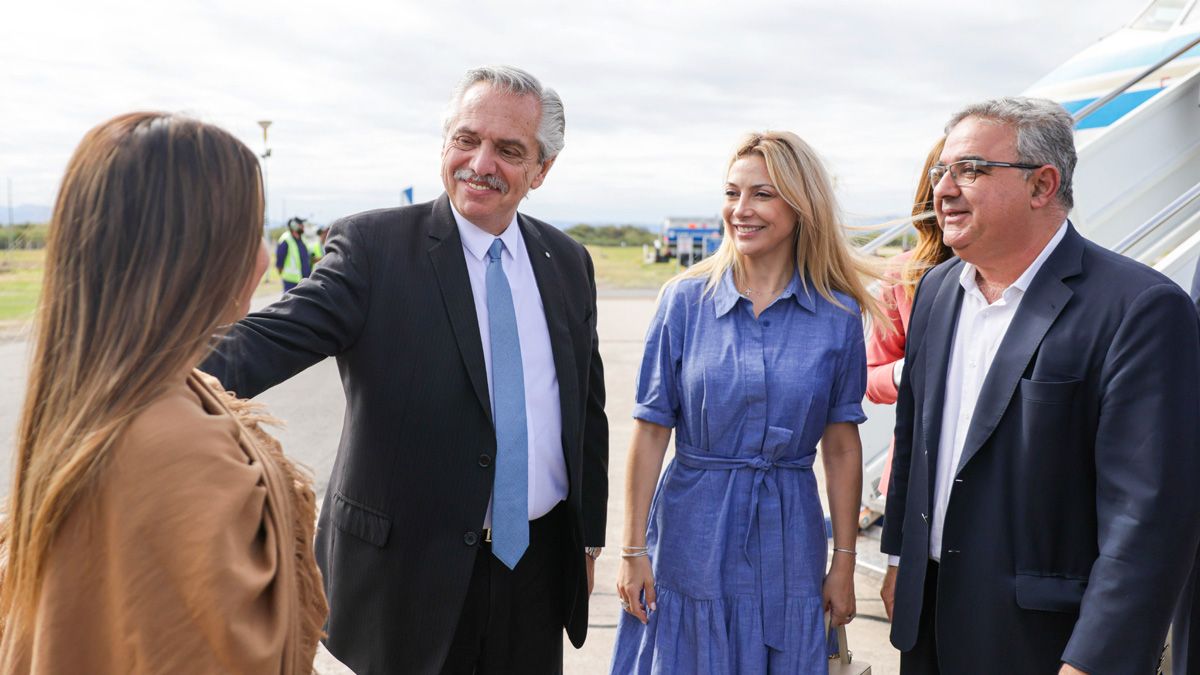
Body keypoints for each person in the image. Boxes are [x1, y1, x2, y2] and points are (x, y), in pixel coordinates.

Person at [202, 65, 608, 674]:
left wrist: (587, 538)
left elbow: (585, 411)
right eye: (466, 139)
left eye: (508, 150)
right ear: (445, 144)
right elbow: (264, 341)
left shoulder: (567, 261)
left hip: (536, 569)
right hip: (409, 579)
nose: (481, 163)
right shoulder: (374, 249)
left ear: (541, 170)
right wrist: (139, 376)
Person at [879, 97, 1200, 674]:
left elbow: (1149, 519)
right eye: (942, 171)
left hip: (1047, 644)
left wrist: (1094, 660)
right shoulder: (936, 291)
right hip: (927, 627)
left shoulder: (1140, 308)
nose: (943, 190)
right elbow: (914, 446)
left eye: (970, 170)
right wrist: (901, 559)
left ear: (1042, 184)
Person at [0, 112, 327, 672]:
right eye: (251, 230)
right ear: (194, 254)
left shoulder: (112, 394)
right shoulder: (172, 445)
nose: (262, 255)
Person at [611, 131, 885, 673]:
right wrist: (632, 551)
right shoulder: (684, 301)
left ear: (801, 205)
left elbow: (841, 447)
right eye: (732, 192)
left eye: (762, 194)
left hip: (791, 536)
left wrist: (844, 562)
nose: (741, 209)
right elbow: (650, 430)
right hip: (690, 531)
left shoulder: (837, 315)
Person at [865, 137, 952, 500]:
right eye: (944, 174)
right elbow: (871, 378)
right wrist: (906, 371)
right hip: (915, 466)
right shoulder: (906, 273)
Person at [276, 216, 312, 292]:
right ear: (293, 226)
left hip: (305, 280)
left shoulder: (302, 239)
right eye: (301, 224)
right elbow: (279, 263)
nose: (303, 226)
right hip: (291, 283)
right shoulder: (286, 240)